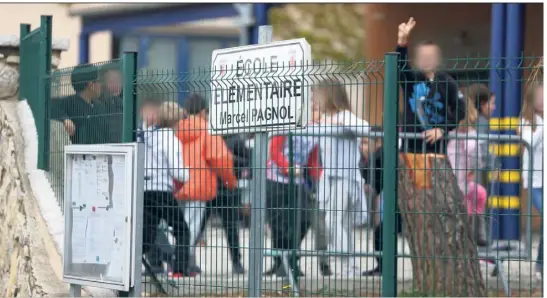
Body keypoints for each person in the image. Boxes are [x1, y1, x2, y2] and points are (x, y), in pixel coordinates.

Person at [263, 99, 331, 277]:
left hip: (299, 182)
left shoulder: (317, 130)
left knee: (302, 221)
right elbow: (275, 150)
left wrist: (319, 179)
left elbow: (313, 160)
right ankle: (281, 263)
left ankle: (291, 260)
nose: (319, 113)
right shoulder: (289, 122)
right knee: (279, 224)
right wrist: (289, 167)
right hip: (276, 179)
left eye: (319, 109)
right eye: (315, 108)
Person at [173, 94, 238, 275]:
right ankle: (181, 264)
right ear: (203, 112)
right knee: (192, 228)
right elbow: (221, 159)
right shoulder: (208, 131)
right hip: (199, 184)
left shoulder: (177, 130)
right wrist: (231, 181)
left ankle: (185, 263)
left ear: (185, 112)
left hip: (178, 184)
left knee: (179, 225)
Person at [312, 79, 369, 277]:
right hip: (331, 180)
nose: (315, 100)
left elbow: (365, 127)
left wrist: (339, 122)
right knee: (340, 223)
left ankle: (347, 264)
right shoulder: (324, 119)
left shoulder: (345, 116)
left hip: (344, 178)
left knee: (333, 220)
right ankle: (349, 267)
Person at [138, 97, 192, 278]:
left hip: (145, 190)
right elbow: (177, 171)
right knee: (182, 230)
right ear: (176, 121)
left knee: (148, 232)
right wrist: (189, 173)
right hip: (162, 190)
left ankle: (149, 267)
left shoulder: (149, 136)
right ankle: (179, 270)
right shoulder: (170, 139)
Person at [396, 17, 465, 154]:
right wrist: (402, 43)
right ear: (417, 59)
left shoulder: (447, 82)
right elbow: (400, 67)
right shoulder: (411, 79)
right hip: (411, 149)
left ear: (438, 59)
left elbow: (460, 110)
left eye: (430, 56)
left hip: (437, 150)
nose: (427, 59)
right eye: (423, 56)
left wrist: (442, 129)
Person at [447, 87, 488, 246]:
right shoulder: (470, 135)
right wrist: (474, 167)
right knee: (479, 194)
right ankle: (474, 231)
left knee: (477, 193)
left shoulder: (448, 133)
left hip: (448, 180)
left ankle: (469, 229)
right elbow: (475, 155)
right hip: (461, 181)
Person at [519, 82, 543, 280]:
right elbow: (530, 143)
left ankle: (541, 264)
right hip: (534, 180)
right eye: (540, 97)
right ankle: (540, 265)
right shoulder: (527, 122)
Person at [51, 64, 110, 144]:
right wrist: (65, 119)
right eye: (99, 81)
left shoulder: (100, 106)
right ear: (91, 85)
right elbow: (49, 106)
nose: (101, 85)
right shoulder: (69, 103)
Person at [100, 64, 124, 142]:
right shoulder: (99, 102)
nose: (115, 82)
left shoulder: (129, 100)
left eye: (118, 79)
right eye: (111, 80)